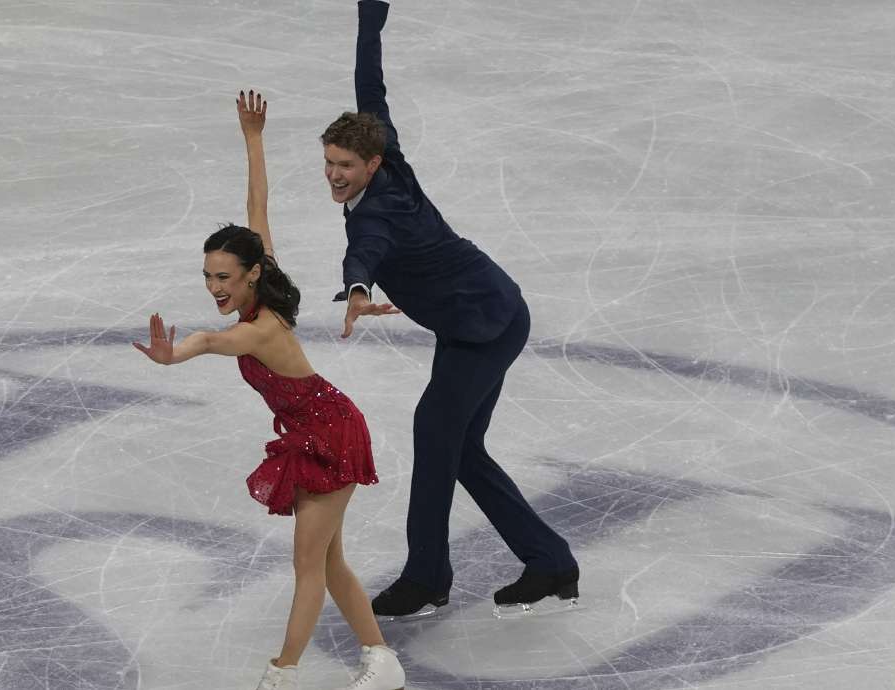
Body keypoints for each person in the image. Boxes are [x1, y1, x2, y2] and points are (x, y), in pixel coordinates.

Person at [133, 91, 406, 690]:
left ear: (251, 274)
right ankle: (381, 661)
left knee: (309, 567)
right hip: (314, 429)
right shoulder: (265, 275)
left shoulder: (259, 329)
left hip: (330, 431)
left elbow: (208, 341)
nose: (214, 287)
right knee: (330, 564)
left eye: (223, 277)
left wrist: (171, 355)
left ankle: (282, 675)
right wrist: (254, 140)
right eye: (207, 276)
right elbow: (258, 206)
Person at [324, 0, 580, 621]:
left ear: (372, 165)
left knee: (435, 432)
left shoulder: (378, 212)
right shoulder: (388, 154)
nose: (334, 175)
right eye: (329, 162)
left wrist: (357, 290)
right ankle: (548, 562)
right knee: (458, 447)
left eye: (345, 167)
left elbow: (365, 251)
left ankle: (427, 577)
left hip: (484, 326)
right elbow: (370, 88)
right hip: (481, 311)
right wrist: (370, 18)